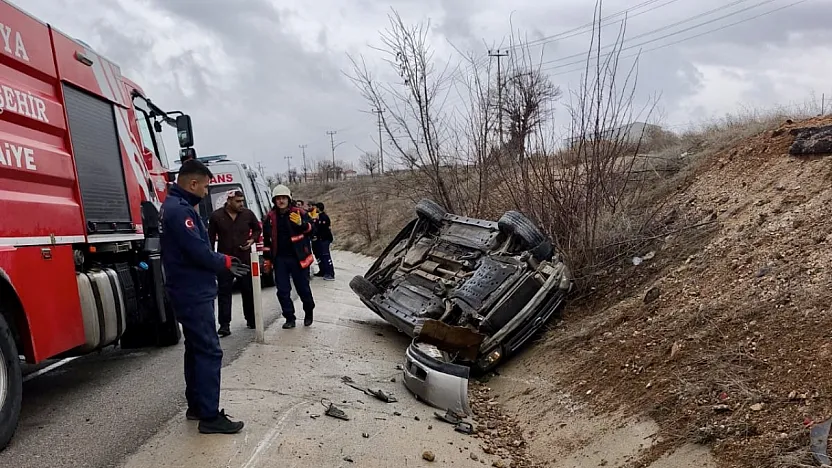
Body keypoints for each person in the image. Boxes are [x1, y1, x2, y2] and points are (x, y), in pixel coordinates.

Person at [160, 159, 248, 434]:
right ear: (193, 183)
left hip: (187, 289)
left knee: (196, 349)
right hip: (192, 291)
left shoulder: (175, 206)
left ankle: (197, 406)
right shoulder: (179, 211)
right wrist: (224, 261)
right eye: (207, 186)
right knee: (209, 351)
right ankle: (209, 416)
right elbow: (197, 250)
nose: (207, 192)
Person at [208, 190, 262, 336]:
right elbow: (210, 238)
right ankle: (224, 325)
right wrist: (211, 258)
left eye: (242, 201)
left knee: (248, 290)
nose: (241, 204)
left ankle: (251, 319)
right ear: (229, 201)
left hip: (244, 258)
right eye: (238, 201)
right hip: (225, 260)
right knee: (224, 293)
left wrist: (252, 240)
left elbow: (257, 229)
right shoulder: (216, 216)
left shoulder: (248, 214)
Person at [262, 185, 316, 328]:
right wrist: (267, 259)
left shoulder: (299, 212)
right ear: (274, 200)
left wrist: (301, 224)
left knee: (303, 288)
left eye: (283, 198)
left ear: (288, 199)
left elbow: (312, 230)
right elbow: (267, 241)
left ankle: (309, 310)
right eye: (278, 198)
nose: (281, 201)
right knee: (283, 291)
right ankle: (289, 318)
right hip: (280, 259)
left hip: (298, 258)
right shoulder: (269, 218)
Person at [311, 202, 335, 281]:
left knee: (326, 256)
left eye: (316, 208)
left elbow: (323, 230)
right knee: (321, 256)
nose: (315, 209)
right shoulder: (319, 217)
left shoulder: (324, 217)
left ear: (318, 208)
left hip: (325, 239)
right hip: (320, 239)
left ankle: (330, 273)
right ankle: (323, 271)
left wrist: (318, 236)